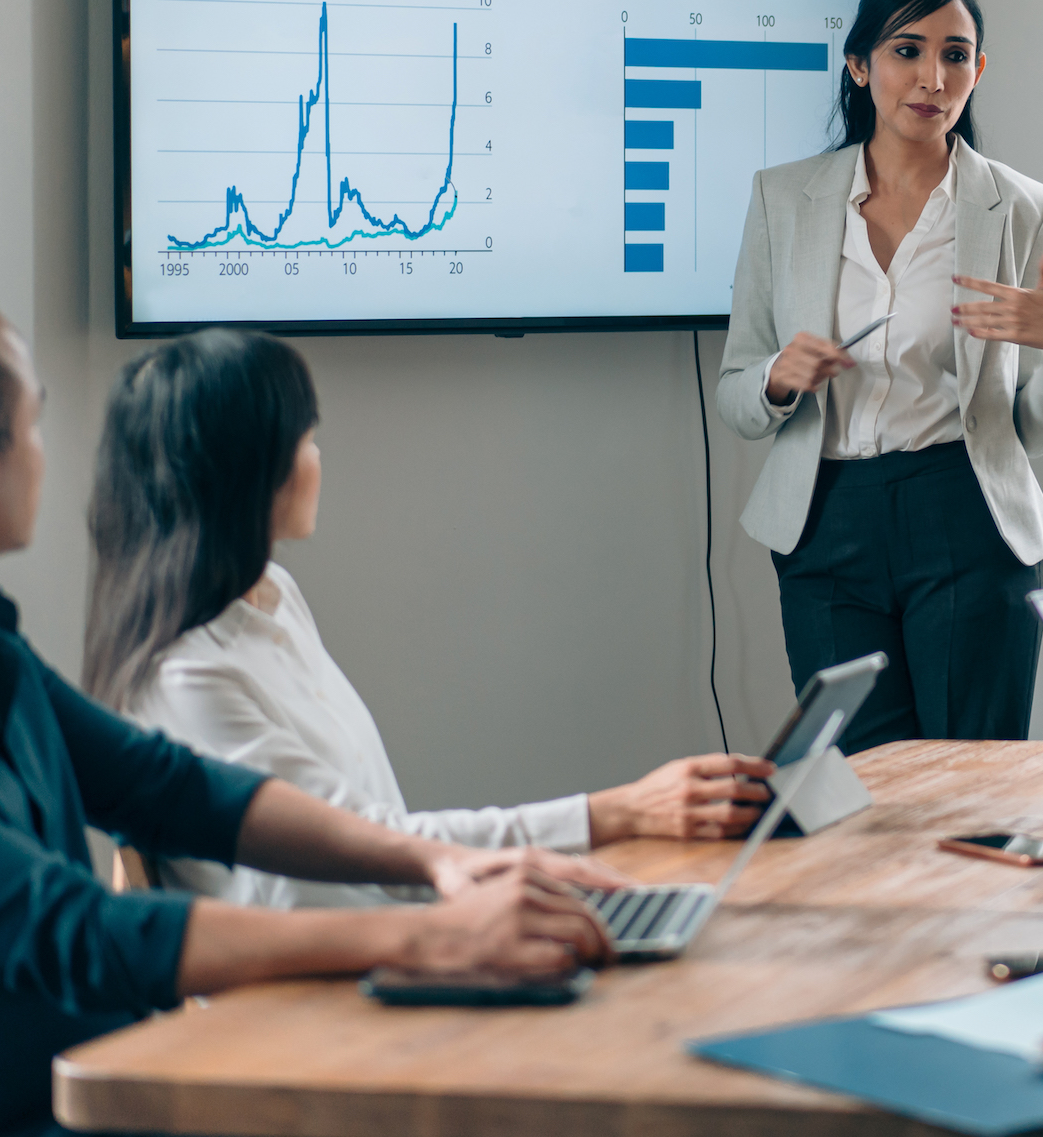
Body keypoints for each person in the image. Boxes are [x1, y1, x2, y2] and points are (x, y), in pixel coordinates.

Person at [0, 282, 620, 1137]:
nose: (45, 451)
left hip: (124, 1106)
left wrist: (431, 866)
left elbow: (173, 789)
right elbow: (75, 933)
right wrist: (421, 937)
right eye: (31, 425)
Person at [83, 328, 775, 907]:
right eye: (304, 437)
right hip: (318, 998)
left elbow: (387, 841)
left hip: (413, 933)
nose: (318, 457)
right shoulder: (187, 678)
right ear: (245, 471)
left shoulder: (274, 598)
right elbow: (371, 842)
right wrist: (618, 812)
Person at [716, 0, 1043, 753]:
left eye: (956, 55)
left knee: (971, 782)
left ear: (978, 70)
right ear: (859, 65)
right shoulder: (781, 199)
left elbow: (1023, 428)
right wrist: (778, 381)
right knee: (862, 789)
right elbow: (737, 393)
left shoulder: (1023, 209)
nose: (932, 77)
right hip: (824, 522)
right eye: (907, 50)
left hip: (963, 510)